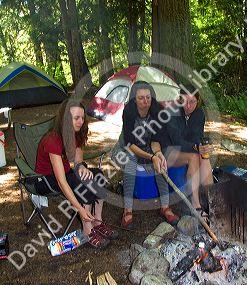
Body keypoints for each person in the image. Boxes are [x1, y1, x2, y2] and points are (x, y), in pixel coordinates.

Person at [35, 99, 118, 249]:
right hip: (45, 180)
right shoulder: (53, 140)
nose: (80, 122)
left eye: (82, 117)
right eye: (76, 118)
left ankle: (97, 222)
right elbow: (61, 181)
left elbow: (78, 162)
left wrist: (81, 167)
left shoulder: (77, 133)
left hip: (65, 173)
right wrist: (79, 209)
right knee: (82, 184)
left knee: (97, 175)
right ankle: (87, 230)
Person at [120, 81, 179, 228]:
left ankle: (165, 207)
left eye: (148, 97)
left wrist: (157, 154)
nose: (145, 101)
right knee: (130, 161)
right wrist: (151, 157)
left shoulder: (157, 110)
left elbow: (156, 139)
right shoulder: (128, 112)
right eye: (141, 98)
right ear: (134, 98)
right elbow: (130, 143)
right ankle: (127, 210)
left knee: (160, 162)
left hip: (148, 146)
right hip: (129, 147)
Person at [165, 84, 213, 222]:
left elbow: (197, 136)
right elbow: (176, 141)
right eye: (185, 101)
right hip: (168, 152)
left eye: (192, 101)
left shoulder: (199, 114)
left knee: (204, 157)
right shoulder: (172, 112)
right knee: (193, 157)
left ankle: (212, 201)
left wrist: (202, 147)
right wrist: (195, 147)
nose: (188, 106)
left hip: (188, 149)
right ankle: (196, 205)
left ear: (198, 101)